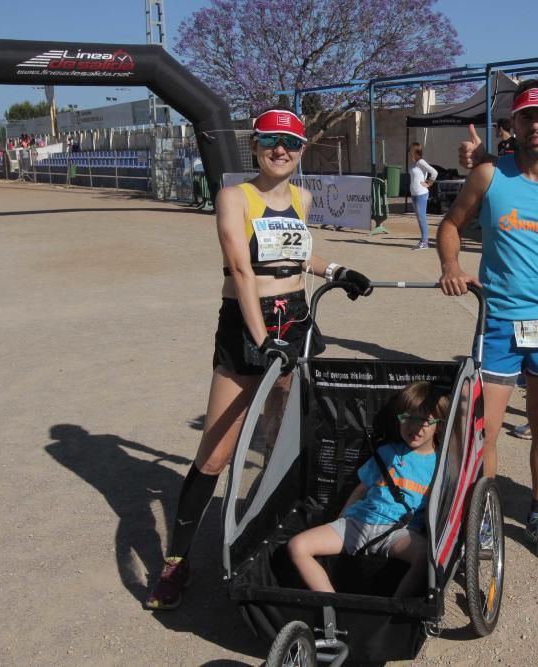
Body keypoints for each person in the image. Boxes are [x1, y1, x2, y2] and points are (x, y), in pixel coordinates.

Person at [144, 109, 373, 611]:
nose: (281, 150)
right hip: (248, 322)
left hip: (296, 317)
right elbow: (243, 271)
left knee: (287, 436)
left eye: (291, 143)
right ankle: (176, 564)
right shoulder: (234, 197)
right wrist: (260, 337)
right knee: (217, 452)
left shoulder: (301, 197)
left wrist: (338, 269)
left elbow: (297, 256)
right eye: (272, 141)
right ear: (255, 145)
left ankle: (277, 534)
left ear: (301, 150)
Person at [439, 79, 538, 560]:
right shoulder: (489, 175)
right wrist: (451, 266)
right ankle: (483, 514)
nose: (537, 125)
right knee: (481, 426)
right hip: (502, 320)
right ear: (515, 124)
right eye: (527, 116)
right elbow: (451, 224)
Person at [287, 381, 449, 597]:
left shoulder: (441, 464)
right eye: (407, 418)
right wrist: (341, 518)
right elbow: (361, 490)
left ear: (438, 424)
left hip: (399, 531)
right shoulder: (386, 452)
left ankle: (393, 613)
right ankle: (331, 605)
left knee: (426, 558)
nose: (414, 427)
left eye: (424, 421)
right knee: (297, 546)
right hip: (357, 522)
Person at [408, 142, 438, 250]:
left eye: (410, 150)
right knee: (420, 218)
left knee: (422, 218)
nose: (409, 152)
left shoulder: (421, 161)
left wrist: (429, 183)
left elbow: (434, 172)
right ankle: (423, 240)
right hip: (414, 194)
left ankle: (425, 242)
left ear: (415, 151)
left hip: (421, 193)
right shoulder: (415, 163)